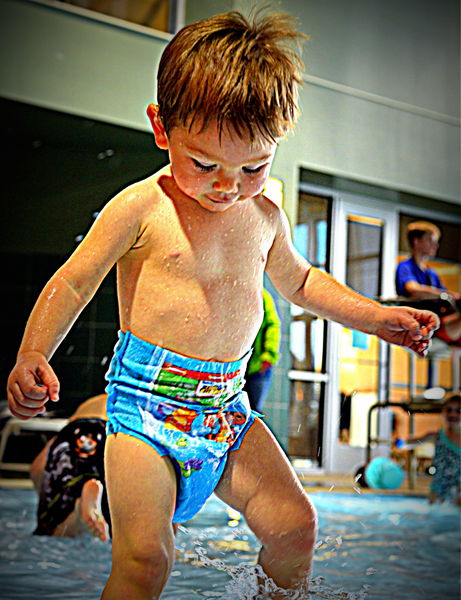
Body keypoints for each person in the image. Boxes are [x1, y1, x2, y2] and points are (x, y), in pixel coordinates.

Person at [6, 11, 439, 599]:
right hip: (144, 413)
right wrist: (34, 350)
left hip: (226, 413)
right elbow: (76, 281)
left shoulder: (264, 219)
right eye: (205, 163)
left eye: (254, 166)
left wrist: (376, 317)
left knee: (296, 528)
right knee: (145, 560)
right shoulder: (142, 208)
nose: (226, 185)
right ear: (161, 128)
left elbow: (305, 283)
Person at [30, 393, 110, 541]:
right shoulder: (129, 399)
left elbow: (37, 469)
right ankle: (90, 496)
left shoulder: (90, 403)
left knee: (53, 525)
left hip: (72, 434)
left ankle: (74, 509)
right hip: (107, 433)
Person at [396, 220, 461, 345]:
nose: (436, 245)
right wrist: (443, 293)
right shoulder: (405, 266)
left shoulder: (431, 273)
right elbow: (413, 289)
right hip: (421, 322)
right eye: (430, 240)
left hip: (437, 318)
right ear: (417, 241)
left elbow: (445, 295)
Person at [401, 392, 461, 506]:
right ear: (443, 413)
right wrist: (399, 442)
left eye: (459, 410)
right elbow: (410, 442)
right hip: (438, 490)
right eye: (448, 410)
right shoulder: (436, 436)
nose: (453, 414)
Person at [244, 288, 281, 412]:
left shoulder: (262, 295)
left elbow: (273, 325)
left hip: (258, 366)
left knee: (252, 410)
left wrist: (269, 356)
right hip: (240, 365)